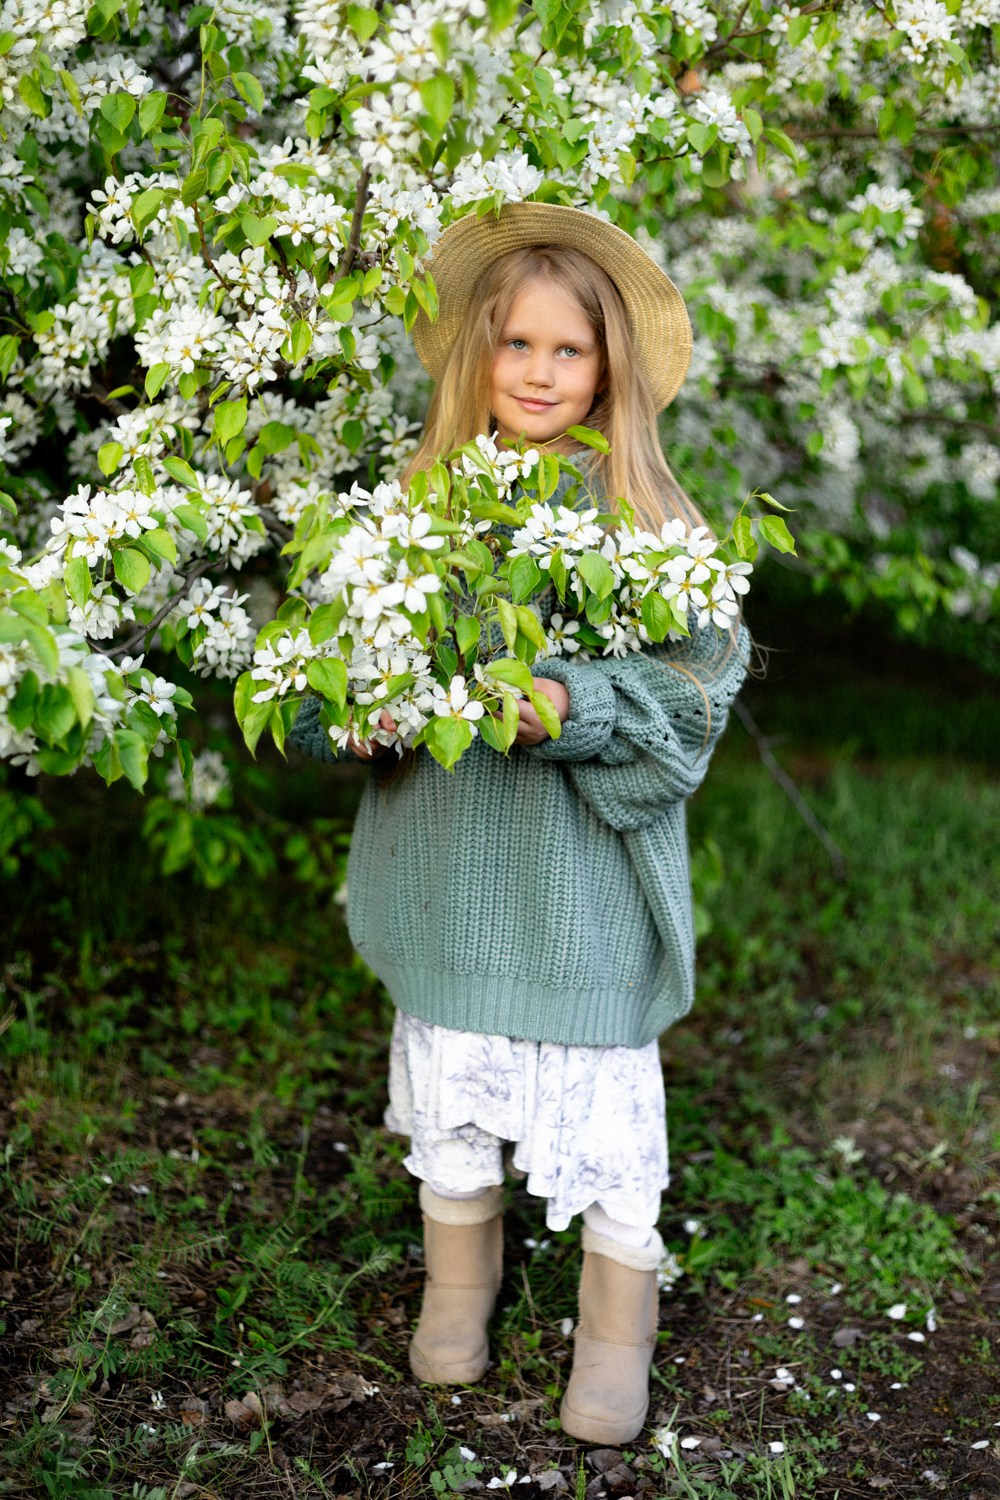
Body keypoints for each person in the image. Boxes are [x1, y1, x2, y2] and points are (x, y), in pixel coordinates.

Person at [291, 202, 750, 1445]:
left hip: (582, 893)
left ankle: (615, 1330)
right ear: (475, 355)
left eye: (569, 349)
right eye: (516, 344)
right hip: (451, 880)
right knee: (454, 1094)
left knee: (604, 1114)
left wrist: (573, 701)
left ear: (608, 369)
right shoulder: (415, 513)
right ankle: (459, 1287)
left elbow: (697, 691)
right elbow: (315, 687)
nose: (540, 372)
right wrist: (353, 720)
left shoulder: (646, 526)